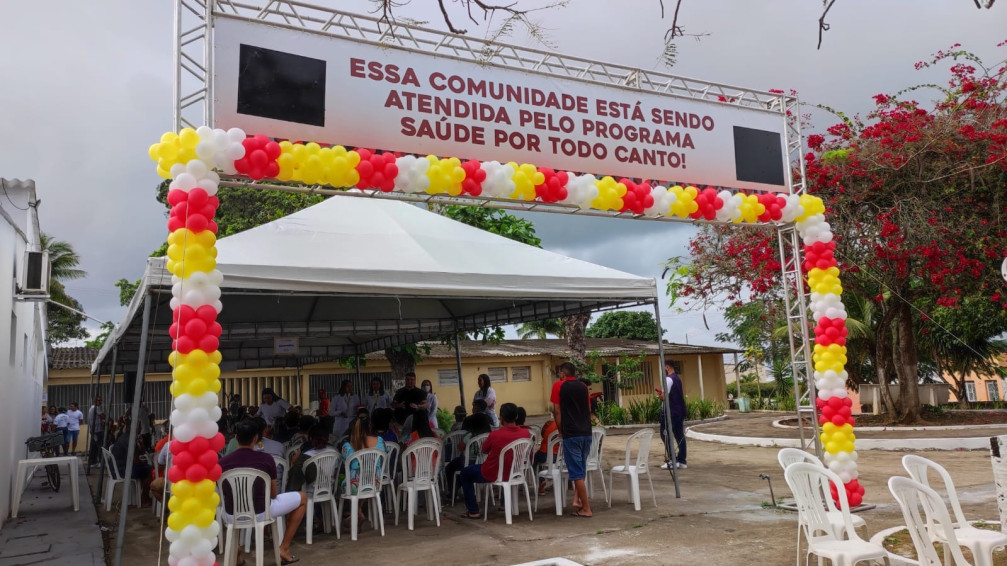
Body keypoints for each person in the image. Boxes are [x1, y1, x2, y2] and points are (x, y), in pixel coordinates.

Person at [219, 419, 306, 566]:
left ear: (235, 437)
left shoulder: (222, 462)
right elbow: (273, 494)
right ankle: (284, 548)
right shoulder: (266, 459)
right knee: (303, 498)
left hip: (230, 514)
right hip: (261, 511)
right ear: (255, 438)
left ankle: (237, 549)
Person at [458, 403, 529, 519]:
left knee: (465, 473)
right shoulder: (525, 434)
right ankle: (503, 504)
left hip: (492, 472)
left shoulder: (495, 435)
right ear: (516, 417)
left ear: (501, 417)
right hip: (515, 472)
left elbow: (484, 450)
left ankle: (473, 510)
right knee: (505, 467)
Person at [553, 362, 593, 518]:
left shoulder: (559, 386)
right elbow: (589, 410)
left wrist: (561, 430)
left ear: (562, 374)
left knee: (576, 472)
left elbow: (557, 411)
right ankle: (577, 500)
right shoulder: (583, 387)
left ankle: (586, 508)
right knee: (581, 468)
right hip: (586, 432)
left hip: (571, 433)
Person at [340, 413, 385, 495]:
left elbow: (345, 464)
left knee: (344, 484)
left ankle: (356, 506)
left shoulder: (347, 446)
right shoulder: (380, 441)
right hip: (376, 483)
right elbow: (383, 459)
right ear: (370, 426)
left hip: (354, 487)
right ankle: (361, 506)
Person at [111, 417, 153, 503]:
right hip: (122, 471)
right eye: (139, 427)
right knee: (151, 471)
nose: (140, 429)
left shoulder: (127, 437)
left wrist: (141, 443)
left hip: (120, 468)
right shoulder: (129, 440)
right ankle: (144, 497)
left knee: (145, 469)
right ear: (133, 428)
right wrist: (145, 464)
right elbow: (134, 461)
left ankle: (138, 496)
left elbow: (142, 452)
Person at [286, 424, 337, 492]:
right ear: (328, 438)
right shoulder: (334, 453)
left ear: (310, 438)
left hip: (310, 490)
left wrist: (300, 451)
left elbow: (294, 469)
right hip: (328, 489)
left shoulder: (306, 455)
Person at [658, 361, 688, 470]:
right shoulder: (677, 379)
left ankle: (672, 460)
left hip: (670, 412)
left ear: (667, 367)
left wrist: (660, 395)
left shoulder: (668, 379)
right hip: (679, 411)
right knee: (679, 435)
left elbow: (664, 396)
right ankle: (682, 460)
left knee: (665, 434)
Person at [534, 418, 559, 495]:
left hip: (545, 454)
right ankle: (569, 483)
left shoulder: (549, 423)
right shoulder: (568, 424)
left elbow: (542, 434)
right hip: (560, 456)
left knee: (534, 459)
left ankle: (541, 482)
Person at [87, 396, 106, 467]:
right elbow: (103, 416)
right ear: (95, 401)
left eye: (101, 400)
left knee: (94, 447)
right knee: (101, 447)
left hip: (94, 430)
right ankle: (101, 462)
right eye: (99, 400)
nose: (100, 402)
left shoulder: (92, 408)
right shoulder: (96, 408)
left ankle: (93, 462)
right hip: (97, 430)